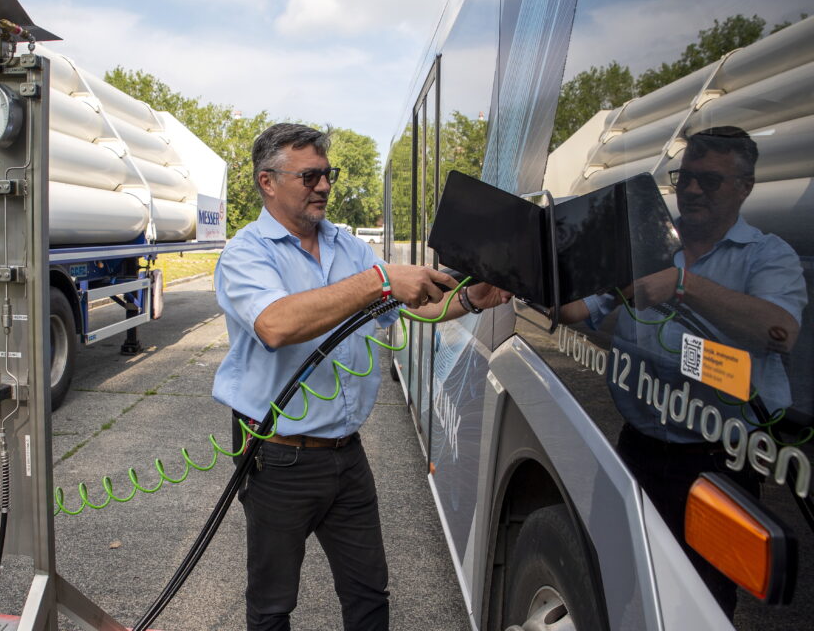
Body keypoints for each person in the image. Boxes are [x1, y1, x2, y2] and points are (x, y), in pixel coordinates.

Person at [212, 123, 510, 630]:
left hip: (346, 455)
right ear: (268, 181)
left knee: (370, 595)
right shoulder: (246, 253)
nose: (324, 186)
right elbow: (278, 324)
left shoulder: (348, 247)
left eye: (327, 174)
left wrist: (467, 299)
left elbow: (410, 308)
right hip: (278, 458)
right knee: (272, 604)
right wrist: (379, 280)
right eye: (309, 176)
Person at [561, 125, 807, 615]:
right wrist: (563, 257)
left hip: (718, 461)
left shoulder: (767, 255)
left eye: (709, 181)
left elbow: (781, 331)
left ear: (745, 187)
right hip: (637, 446)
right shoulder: (646, 246)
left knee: (701, 599)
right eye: (684, 178)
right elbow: (573, 313)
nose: (691, 190)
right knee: (615, 579)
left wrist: (682, 285)